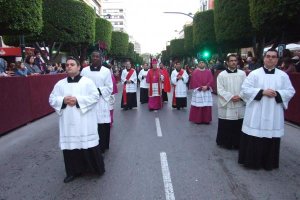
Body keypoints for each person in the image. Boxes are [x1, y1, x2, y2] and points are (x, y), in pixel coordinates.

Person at [49, 57, 105, 183]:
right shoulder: (60, 84)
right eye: (67, 65)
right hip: (68, 122)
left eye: (72, 64)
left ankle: (94, 169)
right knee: (70, 147)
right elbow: (52, 99)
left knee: (87, 144)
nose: (69, 66)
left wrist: (78, 100)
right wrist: (63, 100)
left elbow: (95, 96)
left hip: (84, 120)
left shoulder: (87, 82)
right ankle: (72, 172)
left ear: (79, 67)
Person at [238, 49, 295, 170]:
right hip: (256, 111)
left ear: (277, 60)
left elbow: (290, 91)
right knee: (255, 136)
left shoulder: (283, 76)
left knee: (271, 136)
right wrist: (262, 92)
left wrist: (278, 93)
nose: (270, 59)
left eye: (273, 57)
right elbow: (244, 89)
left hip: (274, 111)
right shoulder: (254, 74)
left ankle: (268, 163)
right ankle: (252, 162)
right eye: (268, 56)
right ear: (264, 58)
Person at [81, 51, 113, 153]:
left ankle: (102, 146)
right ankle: (90, 146)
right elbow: (80, 85)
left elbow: (109, 87)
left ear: (101, 59)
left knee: (101, 125)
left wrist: (97, 91)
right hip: (89, 102)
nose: (95, 58)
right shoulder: (84, 71)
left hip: (101, 102)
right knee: (90, 124)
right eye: (93, 56)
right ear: (91, 58)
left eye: (97, 57)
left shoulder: (106, 71)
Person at [216, 54, 246, 149]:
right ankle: (226, 143)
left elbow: (246, 87)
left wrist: (240, 96)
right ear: (227, 62)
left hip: (239, 102)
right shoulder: (222, 75)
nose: (233, 62)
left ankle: (238, 143)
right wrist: (231, 97)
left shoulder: (242, 74)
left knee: (238, 123)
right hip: (228, 103)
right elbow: (220, 89)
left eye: (235, 60)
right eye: (231, 60)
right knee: (227, 124)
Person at [189, 59, 214, 124]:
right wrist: (200, 87)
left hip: (206, 91)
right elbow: (194, 81)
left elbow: (211, 80)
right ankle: (198, 119)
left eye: (203, 63)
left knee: (207, 106)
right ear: (198, 64)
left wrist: (207, 86)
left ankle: (206, 120)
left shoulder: (208, 72)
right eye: (200, 63)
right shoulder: (195, 72)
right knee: (198, 106)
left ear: (205, 64)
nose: (201, 64)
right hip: (198, 91)